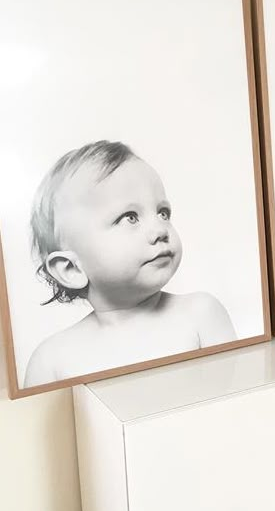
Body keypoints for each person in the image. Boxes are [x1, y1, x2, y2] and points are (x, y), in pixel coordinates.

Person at [24, 140, 236, 386]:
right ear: (71, 268)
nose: (160, 229)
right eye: (130, 217)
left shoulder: (200, 314)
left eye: (162, 212)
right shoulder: (51, 361)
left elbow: (236, 408)